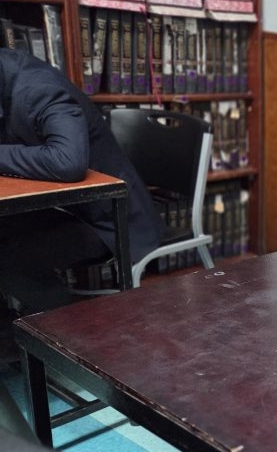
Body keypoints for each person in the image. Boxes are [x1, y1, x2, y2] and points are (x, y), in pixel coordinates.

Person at [0, 48, 163, 318]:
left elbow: (68, 161)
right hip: (64, 206)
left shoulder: (38, 90)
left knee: (10, 260)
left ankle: (64, 333)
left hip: (109, 220)